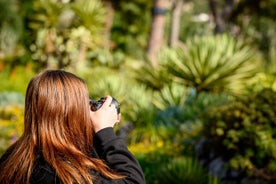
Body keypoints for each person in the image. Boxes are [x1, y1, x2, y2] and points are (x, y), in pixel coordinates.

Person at [0, 70, 145, 184]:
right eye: (83, 103)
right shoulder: (65, 174)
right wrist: (105, 132)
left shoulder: (13, 160)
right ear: (70, 113)